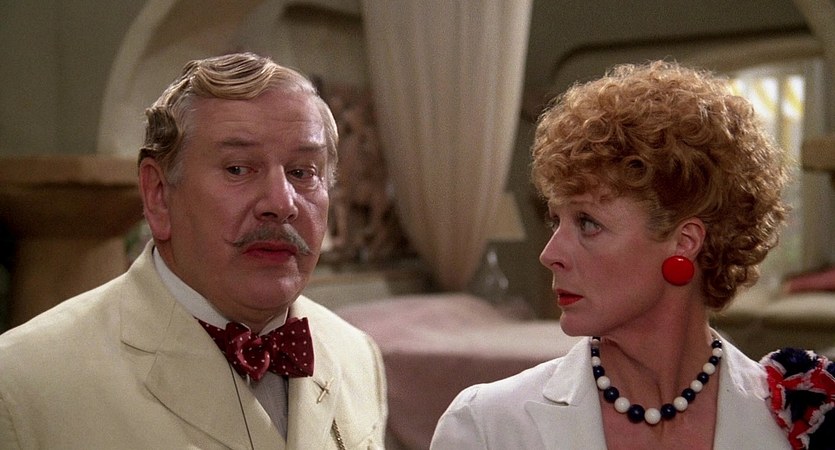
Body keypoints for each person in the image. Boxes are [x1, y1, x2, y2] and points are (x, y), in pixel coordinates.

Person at [0, 52, 387, 449]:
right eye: (238, 169)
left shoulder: (356, 355)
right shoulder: (22, 384)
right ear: (158, 195)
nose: (281, 202)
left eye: (302, 172)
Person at [431, 60, 805, 449]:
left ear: (685, 241)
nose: (550, 254)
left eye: (587, 223)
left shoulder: (797, 420)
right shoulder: (487, 426)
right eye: (555, 220)